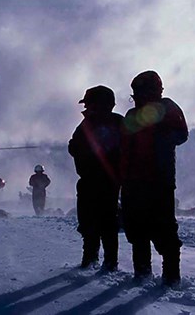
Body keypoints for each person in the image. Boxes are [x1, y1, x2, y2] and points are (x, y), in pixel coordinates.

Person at [120, 70, 188, 286]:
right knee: (138, 228)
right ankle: (148, 274)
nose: (137, 95)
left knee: (161, 229)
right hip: (140, 181)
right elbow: (124, 145)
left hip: (156, 180)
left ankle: (167, 277)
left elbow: (181, 134)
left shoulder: (165, 107)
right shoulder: (134, 114)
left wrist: (162, 133)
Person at [68, 85, 123, 271]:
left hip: (94, 181)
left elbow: (74, 147)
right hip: (107, 182)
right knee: (104, 221)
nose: (87, 107)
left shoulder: (89, 125)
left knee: (93, 220)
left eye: (89, 103)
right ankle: (106, 261)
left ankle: (93, 259)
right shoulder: (118, 122)